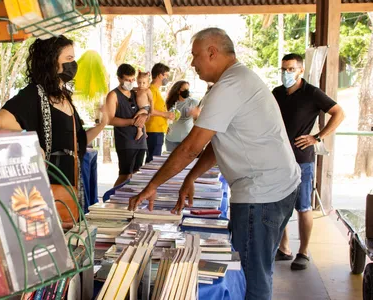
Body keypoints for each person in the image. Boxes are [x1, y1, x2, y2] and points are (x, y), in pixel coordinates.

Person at [128, 28, 301, 300]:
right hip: (277, 186)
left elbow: (190, 147)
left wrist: (152, 186)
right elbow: (215, 142)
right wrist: (191, 177)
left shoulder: (229, 86)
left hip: (261, 193)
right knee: (258, 270)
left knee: (251, 277)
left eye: (196, 55)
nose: (193, 63)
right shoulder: (237, 79)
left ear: (212, 52)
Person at [0, 35, 107, 198]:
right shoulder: (35, 93)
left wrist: (102, 124)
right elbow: (2, 120)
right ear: (52, 62)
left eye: (73, 58)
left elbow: (78, 142)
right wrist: (32, 143)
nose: (73, 64)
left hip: (70, 181)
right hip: (47, 183)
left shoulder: (65, 96)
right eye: (69, 58)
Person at [273, 53, 344, 270]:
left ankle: (303, 251)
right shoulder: (277, 93)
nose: (286, 73)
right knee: (279, 205)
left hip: (302, 159)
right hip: (278, 159)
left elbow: (338, 113)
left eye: (291, 69)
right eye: (284, 69)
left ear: (301, 70)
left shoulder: (312, 93)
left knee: (303, 207)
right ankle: (284, 248)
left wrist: (318, 137)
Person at [105, 64, 148, 187]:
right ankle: (111, 198)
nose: (130, 82)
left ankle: (129, 201)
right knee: (125, 174)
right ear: (119, 78)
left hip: (140, 140)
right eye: (127, 80)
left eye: (132, 79)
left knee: (137, 174)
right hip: (125, 141)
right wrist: (131, 122)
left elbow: (147, 111)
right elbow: (110, 120)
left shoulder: (136, 93)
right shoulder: (113, 95)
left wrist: (144, 116)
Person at [145, 63, 175, 163]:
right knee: (153, 160)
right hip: (153, 130)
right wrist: (166, 114)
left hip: (158, 130)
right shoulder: (151, 90)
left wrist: (166, 125)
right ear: (159, 75)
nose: (167, 78)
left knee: (154, 159)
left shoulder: (156, 91)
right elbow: (149, 110)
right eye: (166, 75)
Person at [164, 80, 201, 152]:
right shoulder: (169, 103)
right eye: (184, 89)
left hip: (187, 139)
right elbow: (164, 117)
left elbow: (199, 121)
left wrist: (196, 115)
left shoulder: (193, 102)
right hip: (171, 139)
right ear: (178, 91)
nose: (187, 91)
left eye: (188, 89)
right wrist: (165, 126)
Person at [134, 71, 153, 140]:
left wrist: (151, 110)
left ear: (148, 83)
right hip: (140, 108)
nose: (141, 85)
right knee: (141, 121)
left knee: (137, 117)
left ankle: (140, 131)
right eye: (139, 82)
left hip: (145, 108)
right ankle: (144, 133)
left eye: (144, 83)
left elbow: (151, 100)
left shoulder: (147, 90)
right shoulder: (138, 89)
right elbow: (131, 89)